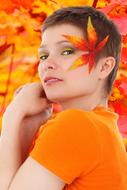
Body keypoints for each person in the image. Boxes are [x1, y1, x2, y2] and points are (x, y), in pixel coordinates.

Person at [0, 6, 127, 190]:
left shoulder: (77, 124)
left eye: (67, 51)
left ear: (104, 67)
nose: (47, 64)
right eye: (43, 55)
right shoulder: (102, 129)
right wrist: (27, 125)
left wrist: (13, 114)